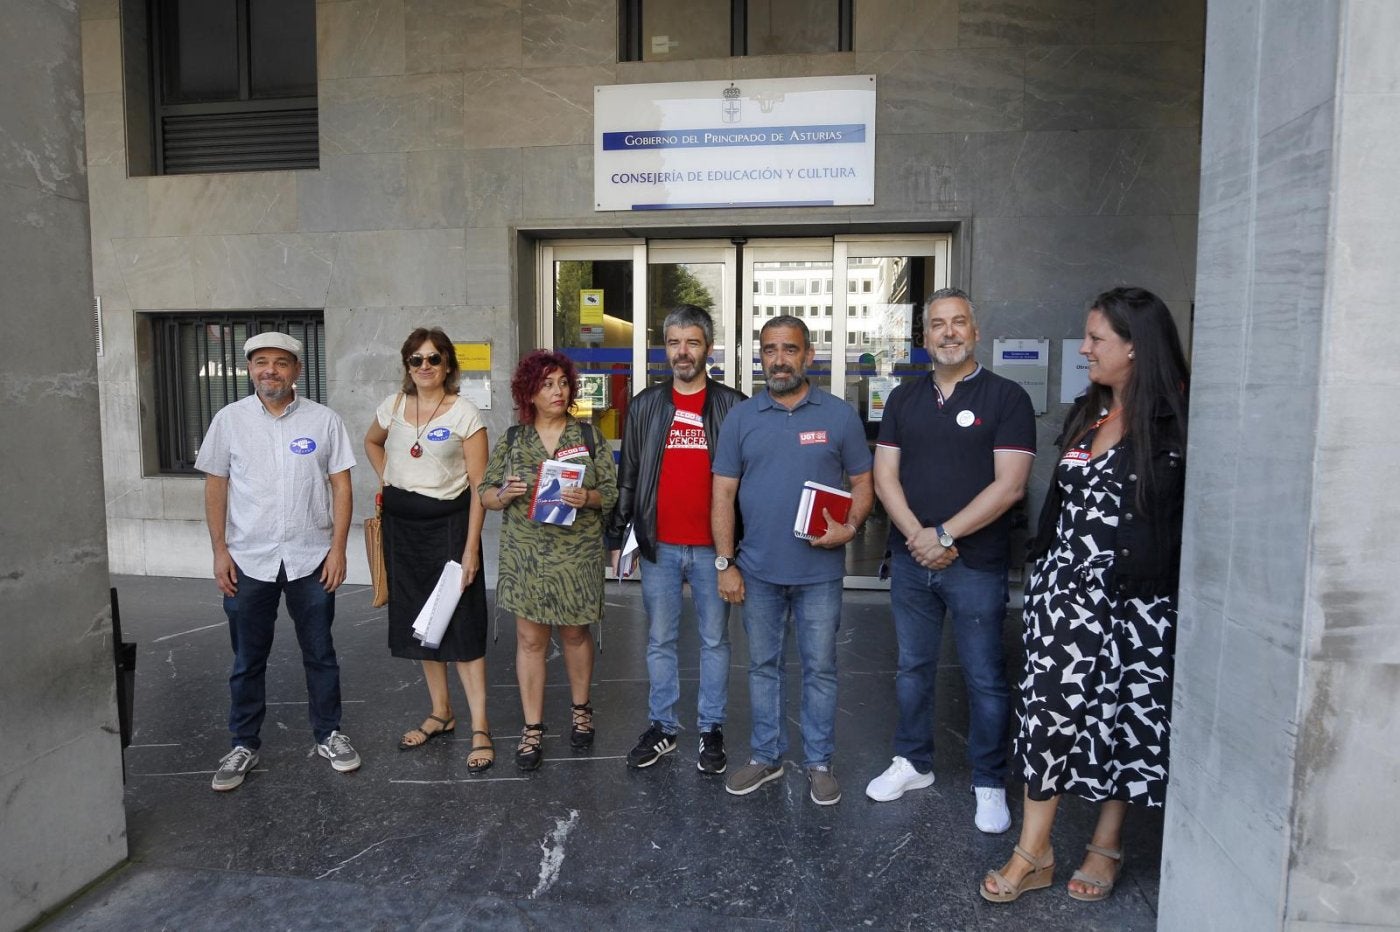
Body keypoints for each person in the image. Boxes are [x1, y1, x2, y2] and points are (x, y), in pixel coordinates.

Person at [982, 286, 1189, 903]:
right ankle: (1034, 851)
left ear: (1135, 347)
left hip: (1133, 604)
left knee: (1122, 719)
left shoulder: (1176, 420)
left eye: (1098, 338)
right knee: (1047, 717)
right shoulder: (1088, 410)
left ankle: (1107, 844)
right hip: (1060, 597)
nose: (1087, 348)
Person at [864, 288, 1036, 835]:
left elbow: (1010, 487)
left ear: (976, 331)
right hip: (912, 562)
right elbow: (884, 476)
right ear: (924, 336)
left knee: (985, 677)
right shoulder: (902, 400)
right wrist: (918, 537)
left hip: (976, 562)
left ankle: (989, 781)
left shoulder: (1006, 398)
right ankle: (913, 762)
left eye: (959, 322)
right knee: (912, 669)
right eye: (938, 324)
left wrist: (945, 534)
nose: (949, 332)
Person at [711, 315, 873, 806]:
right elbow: (722, 493)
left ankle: (820, 762)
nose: (778, 360)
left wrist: (852, 526)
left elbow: (863, 484)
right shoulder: (741, 417)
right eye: (769, 350)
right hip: (757, 571)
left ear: (809, 356)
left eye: (789, 350)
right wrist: (725, 563)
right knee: (762, 666)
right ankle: (766, 756)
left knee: (820, 668)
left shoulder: (839, 416)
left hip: (819, 574)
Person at [196, 331, 359, 791]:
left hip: (312, 558)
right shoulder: (229, 421)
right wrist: (219, 552)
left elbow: (342, 487)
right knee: (247, 658)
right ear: (249, 369)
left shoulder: (324, 421)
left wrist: (340, 549)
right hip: (248, 560)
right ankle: (243, 743)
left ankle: (329, 734)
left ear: (297, 371)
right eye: (261, 362)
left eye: (281, 362)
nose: (271, 370)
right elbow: (216, 487)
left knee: (321, 653)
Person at [607, 305, 746, 774]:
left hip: (714, 550)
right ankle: (663, 727)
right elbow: (629, 476)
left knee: (714, 640)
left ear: (708, 347)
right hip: (659, 546)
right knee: (660, 639)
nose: (682, 352)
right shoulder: (647, 405)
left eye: (692, 342)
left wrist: (740, 550)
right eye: (673, 342)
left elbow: (750, 479)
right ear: (664, 348)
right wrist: (618, 532)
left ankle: (711, 729)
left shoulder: (733, 405)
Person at [480, 350, 618, 771]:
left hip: (576, 556)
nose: (557, 391)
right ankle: (532, 727)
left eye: (562, 383)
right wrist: (505, 493)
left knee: (576, 635)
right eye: (547, 385)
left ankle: (581, 709)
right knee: (530, 641)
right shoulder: (513, 439)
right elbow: (485, 492)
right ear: (529, 393)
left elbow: (611, 492)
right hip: (527, 558)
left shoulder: (588, 437)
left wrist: (588, 496)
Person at [364, 328, 493, 772]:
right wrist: (390, 477)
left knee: (460, 626)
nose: (424, 367)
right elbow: (371, 442)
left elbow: (480, 488)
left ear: (448, 366)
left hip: (449, 530)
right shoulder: (394, 406)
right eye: (416, 360)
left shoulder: (465, 414)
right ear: (407, 366)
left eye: (433, 359)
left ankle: (480, 727)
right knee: (423, 627)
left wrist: (471, 548)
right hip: (404, 532)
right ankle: (442, 712)